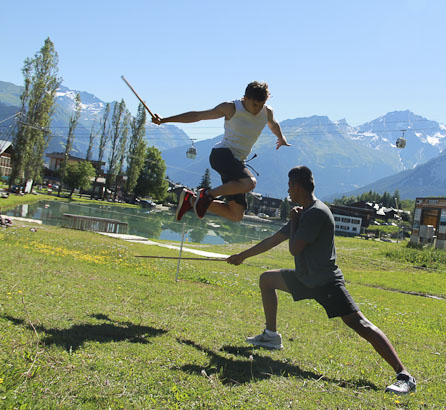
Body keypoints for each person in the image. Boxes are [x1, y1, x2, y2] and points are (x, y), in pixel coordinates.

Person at [226, 166, 417, 395]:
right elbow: (273, 240)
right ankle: (271, 336)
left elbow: (295, 249)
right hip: (305, 279)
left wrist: (294, 220)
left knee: (360, 324)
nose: (288, 191)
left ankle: (405, 376)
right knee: (267, 280)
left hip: (326, 283)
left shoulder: (315, 212)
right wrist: (241, 257)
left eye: (289, 186)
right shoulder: (304, 212)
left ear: (297, 186)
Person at [152, 81, 290, 222]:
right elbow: (198, 116)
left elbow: (273, 124)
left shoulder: (266, 112)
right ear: (245, 98)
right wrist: (164, 120)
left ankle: (191, 200)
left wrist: (281, 138)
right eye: (255, 105)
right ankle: (206, 194)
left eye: (261, 106)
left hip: (237, 161)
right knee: (249, 183)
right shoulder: (231, 108)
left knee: (236, 215)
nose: (257, 109)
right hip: (222, 154)